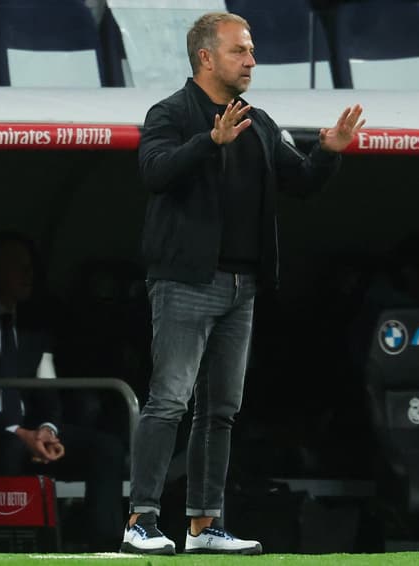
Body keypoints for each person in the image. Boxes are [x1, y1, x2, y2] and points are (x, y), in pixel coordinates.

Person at [121, 11, 365, 556]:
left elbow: (300, 182)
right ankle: (141, 519)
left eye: (251, 51)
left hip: (241, 285)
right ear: (206, 57)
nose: (252, 60)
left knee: (221, 410)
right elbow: (154, 172)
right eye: (240, 51)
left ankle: (204, 526)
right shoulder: (170, 113)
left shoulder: (258, 121)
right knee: (169, 401)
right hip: (185, 279)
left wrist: (329, 151)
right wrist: (210, 140)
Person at [0, 231, 124, 551]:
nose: (29, 275)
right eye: (19, 267)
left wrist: (47, 429)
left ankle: (103, 547)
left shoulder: (36, 323)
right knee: (10, 447)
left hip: (33, 434)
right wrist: (17, 432)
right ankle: (14, 551)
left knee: (105, 448)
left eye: (31, 268)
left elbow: (47, 389)